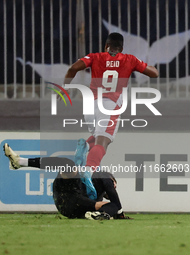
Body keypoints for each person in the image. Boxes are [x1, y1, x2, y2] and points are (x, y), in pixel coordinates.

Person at [62, 32, 159, 201]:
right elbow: (154, 74)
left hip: (90, 106)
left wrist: (65, 86)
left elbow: (73, 68)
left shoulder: (95, 56)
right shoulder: (129, 59)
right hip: (110, 106)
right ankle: (88, 171)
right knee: (103, 142)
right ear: (121, 48)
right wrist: (144, 65)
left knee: (99, 137)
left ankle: (84, 146)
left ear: (106, 46)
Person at [3, 143, 131, 220]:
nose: (113, 187)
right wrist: (119, 212)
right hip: (67, 197)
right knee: (67, 164)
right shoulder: (100, 178)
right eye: (114, 183)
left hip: (73, 204)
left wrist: (115, 211)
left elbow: (111, 194)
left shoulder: (104, 185)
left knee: (112, 206)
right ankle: (20, 162)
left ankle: (20, 162)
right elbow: (110, 188)